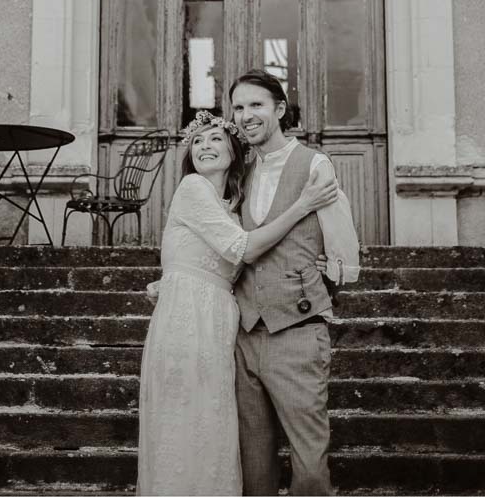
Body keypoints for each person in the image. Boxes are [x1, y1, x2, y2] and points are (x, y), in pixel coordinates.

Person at [135, 107, 339, 496]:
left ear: (233, 150)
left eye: (215, 139)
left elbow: (246, 255)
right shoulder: (193, 188)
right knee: (186, 421)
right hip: (191, 320)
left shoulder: (231, 206)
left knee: (212, 425)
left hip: (219, 321)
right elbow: (242, 249)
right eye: (197, 141)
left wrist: (316, 258)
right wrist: (303, 203)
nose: (205, 146)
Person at [230, 68, 359, 496]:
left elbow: (340, 244)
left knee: (308, 460)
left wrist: (321, 278)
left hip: (298, 330)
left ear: (279, 109)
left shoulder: (313, 163)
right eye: (238, 107)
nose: (245, 115)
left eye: (255, 105)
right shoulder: (240, 169)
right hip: (245, 332)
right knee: (254, 461)